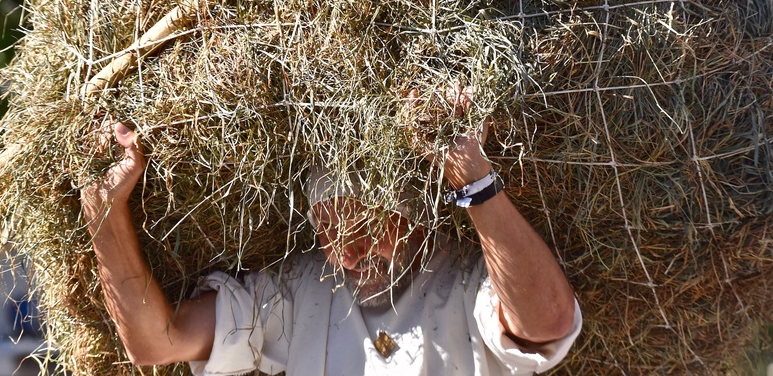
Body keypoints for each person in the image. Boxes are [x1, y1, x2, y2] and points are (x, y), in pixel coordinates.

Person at [80, 105, 581, 375]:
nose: (348, 253)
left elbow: (550, 322)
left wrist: (474, 182)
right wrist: (105, 216)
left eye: (364, 228)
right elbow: (157, 342)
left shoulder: (467, 281)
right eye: (329, 232)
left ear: (412, 214)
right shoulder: (299, 292)